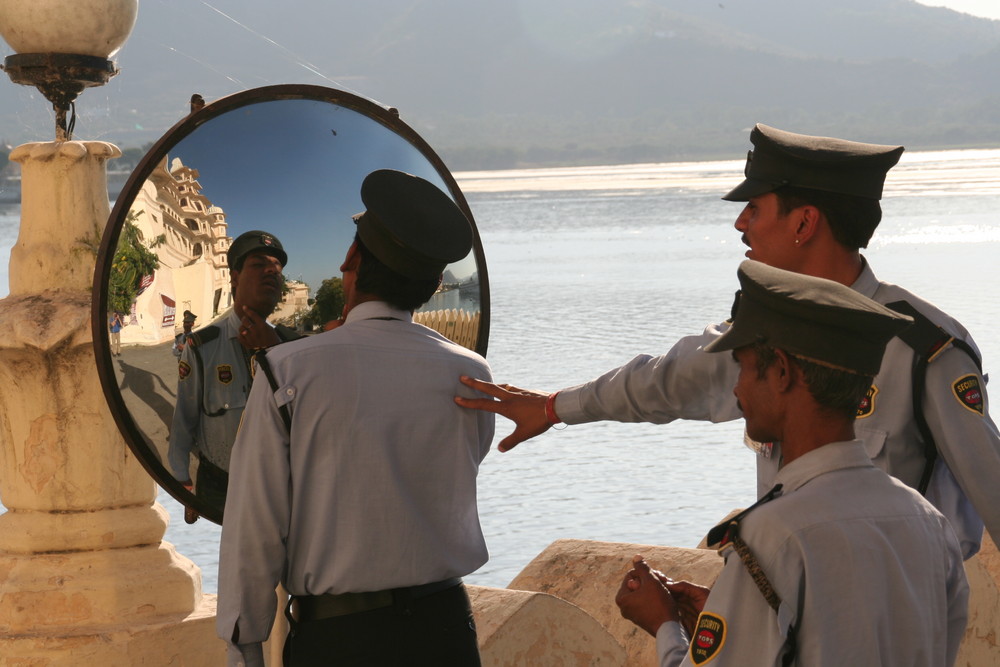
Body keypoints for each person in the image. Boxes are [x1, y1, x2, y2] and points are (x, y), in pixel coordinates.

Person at [456, 123, 1000, 559]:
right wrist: (555, 407)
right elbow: (666, 380)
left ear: (804, 222)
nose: (741, 224)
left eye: (755, 208)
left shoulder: (924, 350)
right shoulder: (767, 333)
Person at [614, 260, 968, 666]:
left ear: (781, 371)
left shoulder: (772, 536)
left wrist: (664, 626)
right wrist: (730, 613)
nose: (736, 386)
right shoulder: (929, 522)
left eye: (744, 367)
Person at [217, 169, 495, 667]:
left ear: (351, 260)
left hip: (342, 640)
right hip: (448, 631)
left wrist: (246, 648)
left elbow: (254, 527)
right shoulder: (471, 372)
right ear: (433, 286)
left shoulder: (287, 370)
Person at [167, 230, 299, 508]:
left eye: (277, 266)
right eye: (258, 263)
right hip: (220, 488)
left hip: (281, 488)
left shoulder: (293, 346)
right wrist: (180, 480)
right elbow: (185, 418)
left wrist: (273, 351)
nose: (272, 271)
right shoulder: (202, 346)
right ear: (234, 277)